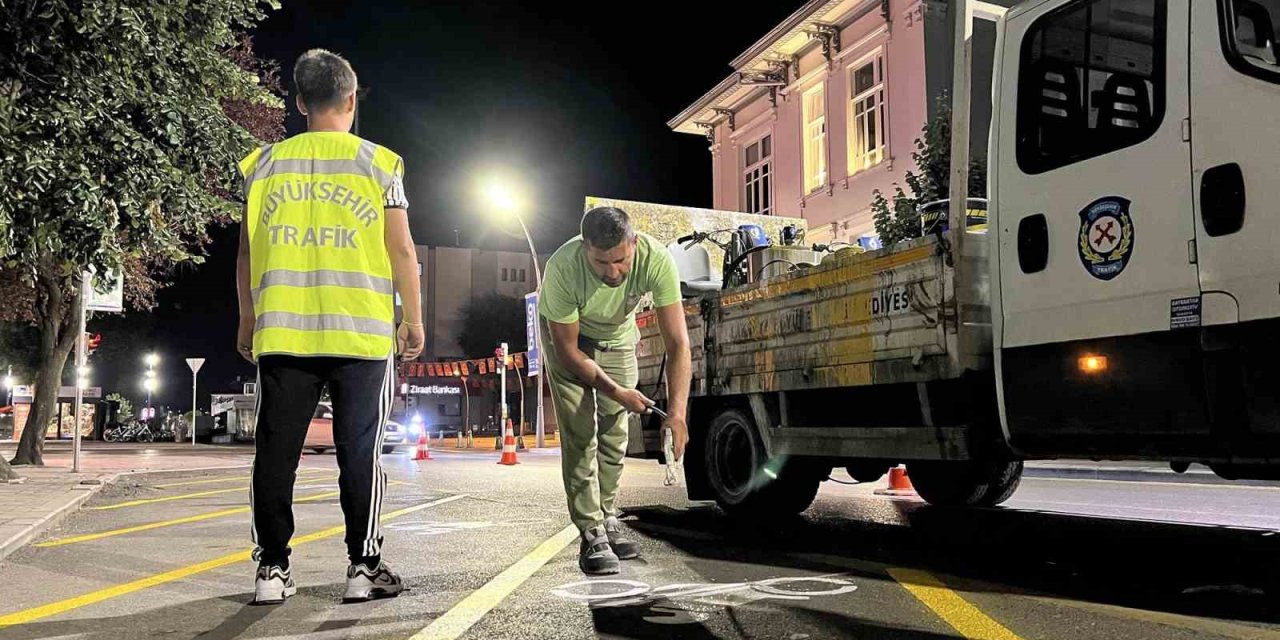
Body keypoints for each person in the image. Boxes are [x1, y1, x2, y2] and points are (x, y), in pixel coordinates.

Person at [235, 48, 424, 605]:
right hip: (360, 335)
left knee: (276, 451)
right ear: (350, 99)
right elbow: (402, 248)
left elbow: (246, 252)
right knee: (359, 452)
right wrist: (412, 319)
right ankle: (362, 568)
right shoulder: (380, 164)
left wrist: (247, 319)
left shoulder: (263, 165)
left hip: (283, 333)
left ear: (297, 102)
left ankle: (271, 570)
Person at [540, 206, 692, 575]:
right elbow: (570, 352)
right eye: (601, 262)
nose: (613, 272)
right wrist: (618, 392)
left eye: (621, 261)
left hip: (618, 339)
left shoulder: (655, 259)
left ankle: (607, 516)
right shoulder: (562, 268)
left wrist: (677, 414)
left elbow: (678, 344)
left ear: (634, 244)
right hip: (569, 344)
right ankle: (591, 531)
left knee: (614, 435)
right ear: (585, 249)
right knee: (580, 433)